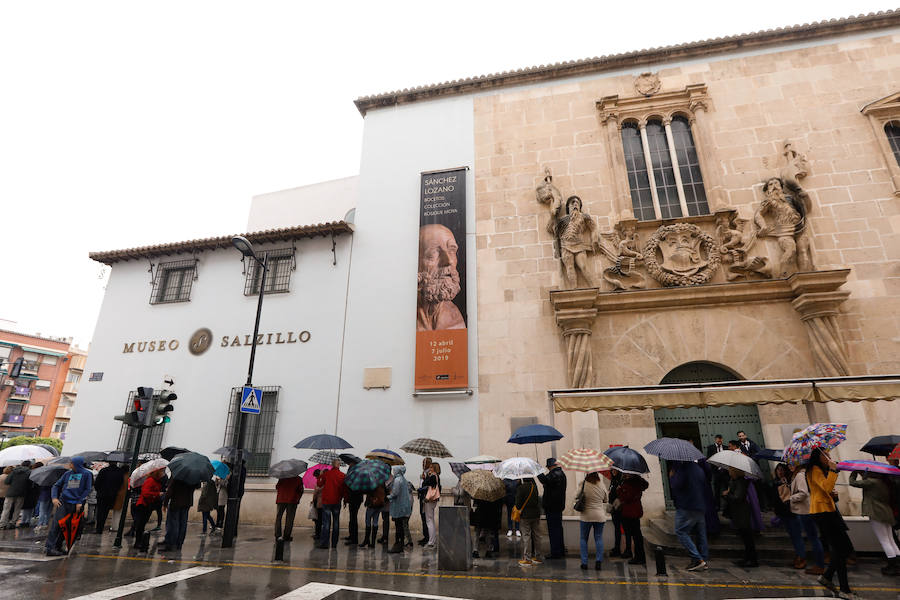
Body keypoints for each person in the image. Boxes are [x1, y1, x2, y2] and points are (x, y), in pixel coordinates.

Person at [808, 448, 854, 597]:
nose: (828, 457)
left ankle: (827, 577)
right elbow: (826, 487)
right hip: (823, 513)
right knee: (841, 549)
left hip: (829, 511)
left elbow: (826, 490)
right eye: (825, 454)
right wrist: (833, 470)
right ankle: (844, 589)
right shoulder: (814, 469)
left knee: (844, 549)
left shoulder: (820, 470)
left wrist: (833, 494)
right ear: (818, 456)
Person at [416, 224, 466, 331]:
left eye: (452, 250)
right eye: (434, 253)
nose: (449, 261)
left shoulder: (455, 318)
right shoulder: (402, 315)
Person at [850, 470, 899, 575]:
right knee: (890, 540)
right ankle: (897, 565)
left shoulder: (872, 482)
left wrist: (854, 472)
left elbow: (852, 483)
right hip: (886, 513)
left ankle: (892, 567)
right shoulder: (883, 482)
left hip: (877, 514)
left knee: (884, 541)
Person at [45, 457, 93, 556]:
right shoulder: (67, 473)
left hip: (76, 504)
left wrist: (80, 501)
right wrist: (54, 498)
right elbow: (56, 485)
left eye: (71, 463)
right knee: (57, 525)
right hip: (63, 502)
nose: (69, 465)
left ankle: (58, 546)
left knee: (68, 527)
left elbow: (87, 489)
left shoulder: (87, 474)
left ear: (76, 464)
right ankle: (50, 547)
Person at [669, 460, 709, 571]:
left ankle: (698, 559)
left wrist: (672, 476)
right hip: (700, 504)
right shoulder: (698, 469)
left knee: (680, 531)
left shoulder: (683, 469)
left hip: (687, 505)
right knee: (701, 534)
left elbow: (676, 484)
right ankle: (704, 560)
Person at [787, 462, 825, 575]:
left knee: (813, 539)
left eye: (792, 464)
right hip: (807, 510)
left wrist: (791, 498)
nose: (790, 466)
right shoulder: (803, 474)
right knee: (814, 538)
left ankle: (820, 565)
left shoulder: (799, 475)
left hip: (805, 511)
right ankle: (819, 564)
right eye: (788, 464)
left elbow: (803, 493)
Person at [723, 467, 757, 568]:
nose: (729, 471)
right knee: (745, 537)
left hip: (742, 512)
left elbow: (738, 497)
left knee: (747, 537)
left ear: (735, 471)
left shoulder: (741, 482)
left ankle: (751, 559)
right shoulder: (735, 481)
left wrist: (727, 494)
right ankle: (748, 558)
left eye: (730, 470)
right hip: (738, 512)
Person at [578, 472, 609, 571]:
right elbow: (606, 499)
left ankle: (584, 563)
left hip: (586, 516)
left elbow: (576, 496)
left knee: (583, 539)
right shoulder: (601, 484)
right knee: (598, 538)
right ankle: (598, 562)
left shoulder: (583, 483)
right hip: (599, 515)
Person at [616, 473, 648, 565]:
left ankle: (639, 557)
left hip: (629, 512)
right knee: (637, 535)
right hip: (636, 511)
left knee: (634, 535)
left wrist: (619, 490)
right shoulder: (639, 482)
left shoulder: (629, 484)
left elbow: (626, 497)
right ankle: (639, 556)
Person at [538, 457, 566, 559]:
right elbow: (548, 483)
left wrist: (538, 471)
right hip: (558, 506)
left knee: (553, 531)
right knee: (558, 529)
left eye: (548, 467)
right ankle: (560, 550)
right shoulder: (561, 474)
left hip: (552, 507)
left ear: (551, 466)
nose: (548, 469)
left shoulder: (555, 475)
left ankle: (555, 552)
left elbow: (545, 480)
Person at [158, 478, 196, 552]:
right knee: (183, 524)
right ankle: (179, 544)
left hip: (176, 502)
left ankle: (171, 544)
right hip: (187, 503)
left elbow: (170, 490)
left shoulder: (178, 474)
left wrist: (165, 503)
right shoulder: (194, 476)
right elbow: (196, 486)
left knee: (174, 525)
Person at [317, 459, 347, 549]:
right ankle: (334, 544)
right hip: (337, 501)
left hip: (327, 501)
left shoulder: (327, 474)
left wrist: (321, 475)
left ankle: (324, 543)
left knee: (326, 523)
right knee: (336, 523)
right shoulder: (343, 475)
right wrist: (345, 500)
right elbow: (344, 489)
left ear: (332, 465)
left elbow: (319, 484)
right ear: (339, 465)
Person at [515, 477, 543, 566]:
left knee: (526, 536)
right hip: (536, 514)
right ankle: (537, 557)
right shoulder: (534, 486)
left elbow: (518, 505)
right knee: (537, 535)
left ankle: (527, 558)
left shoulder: (521, 488)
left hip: (526, 516)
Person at [133, 471, 163, 552]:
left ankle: (140, 542)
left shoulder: (157, 481)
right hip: (143, 505)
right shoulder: (150, 480)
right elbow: (145, 493)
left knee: (142, 524)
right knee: (140, 525)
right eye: (161, 472)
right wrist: (157, 494)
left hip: (149, 505)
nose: (162, 473)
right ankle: (138, 542)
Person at [387, 465, 413, 553]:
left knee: (398, 526)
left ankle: (398, 545)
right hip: (403, 507)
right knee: (400, 526)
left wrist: (387, 497)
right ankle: (400, 545)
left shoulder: (398, 480)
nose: (393, 471)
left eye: (394, 470)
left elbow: (395, 493)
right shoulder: (403, 479)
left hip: (398, 507)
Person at [94, 462, 125, 534]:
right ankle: (108, 526)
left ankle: (99, 529)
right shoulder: (120, 472)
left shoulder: (103, 471)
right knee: (109, 512)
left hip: (102, 495)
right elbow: (121, 483)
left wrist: (99, 490)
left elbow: (97, 483)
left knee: (101, 512)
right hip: (113, 495)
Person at [0, 460, 31, 529]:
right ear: (29, 465)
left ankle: (2, 524)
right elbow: (29, 484)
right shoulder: (29, 472)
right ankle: (13, 523)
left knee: (6, 509)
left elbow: (7, 481)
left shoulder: (14, 471)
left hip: (11, 492)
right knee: (17, 509)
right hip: (21, 493)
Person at [274, 474, 303, 542]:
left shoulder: (282, 477)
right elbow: (301, 490)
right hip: (292, 500)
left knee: (279, 517)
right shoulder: (298, 479)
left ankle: (278, 535)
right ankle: (286, 536)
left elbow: (277, 487)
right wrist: (298, 499)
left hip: (281, 499)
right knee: (290, 518)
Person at [707, 435, 729, 510]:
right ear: (715, 440)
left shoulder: (726, 447)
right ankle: (717, 506)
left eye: (721, 440)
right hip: (716, 472)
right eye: (718, 440)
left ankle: (728, 506)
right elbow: (709, 459)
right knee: (717, 490)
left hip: (725, 472)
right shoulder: (710, 448)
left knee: (727, 488)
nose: (720, 441)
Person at [421, 462, 441, 547]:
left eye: (431, 467)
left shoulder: (433, 476)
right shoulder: (436, 476)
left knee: (429, 521)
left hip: (429, 500)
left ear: (435, 468)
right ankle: (433, 539)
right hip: (433, 500)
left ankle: (431, 541)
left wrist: (425, 477)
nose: (430, 469)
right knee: (431, 520)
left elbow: (424, 484)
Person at [360, 482, 385, 548]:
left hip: (372, 505)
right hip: (379, 505)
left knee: (368, 521)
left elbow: (369, 492)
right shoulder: (382, 482)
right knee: (375, 522)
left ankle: (366, 540)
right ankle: (373, 543)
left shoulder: (372, 482)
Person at [608, 470, 625, 557]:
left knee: (622, 529)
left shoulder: (621, 481)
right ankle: (617, 547)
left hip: (620, 509)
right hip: (614, 509)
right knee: (617, 529)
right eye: (612, 470)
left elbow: (621, 494)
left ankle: (623, 549)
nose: (613, 471)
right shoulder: (613, 480)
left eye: (615, 470)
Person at [19, 462, 41, 527]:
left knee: (26, 508)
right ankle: (27, 521)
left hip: (27, 492)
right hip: (32, 493)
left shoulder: (26, 473)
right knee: (30, 508)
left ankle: (24, 521)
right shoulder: (33, 473)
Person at [418, 458, 433, 545]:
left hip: (426, 498)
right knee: (423, 517)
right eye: (422, 462)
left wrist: (424, 479)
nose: (423, 464)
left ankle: (427, 538)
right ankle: (425, 536)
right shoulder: (424, 473)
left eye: (424, 463)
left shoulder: (429, 473)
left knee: (426, 518)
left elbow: (428, 486)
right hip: (422, 497)